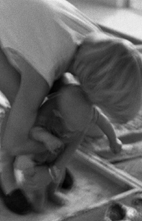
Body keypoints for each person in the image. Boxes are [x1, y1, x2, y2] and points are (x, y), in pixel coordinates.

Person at [0, 0, 142, 214]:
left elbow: (83, 116)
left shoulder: (98, 47)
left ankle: (45, 165)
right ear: (89, 89)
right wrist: (46, 153)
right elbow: (14, 140)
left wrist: (53, 166)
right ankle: (6, 177)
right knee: (21, 99)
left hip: (17, 9)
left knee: (59, 97)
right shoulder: (44, 68)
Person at [15, 75, 122, 212]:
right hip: (40, 152)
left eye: (83, 125)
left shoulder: (87, 110)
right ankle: (39, 194)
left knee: (58, 174)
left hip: (59, 151)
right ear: (59, 115)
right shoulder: (47, 113)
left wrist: (113, 139)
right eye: (74, 126)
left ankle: (52, 192)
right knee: (38, 177)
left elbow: (104, 123)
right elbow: (34, 131)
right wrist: (47, 138)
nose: (79, 130)